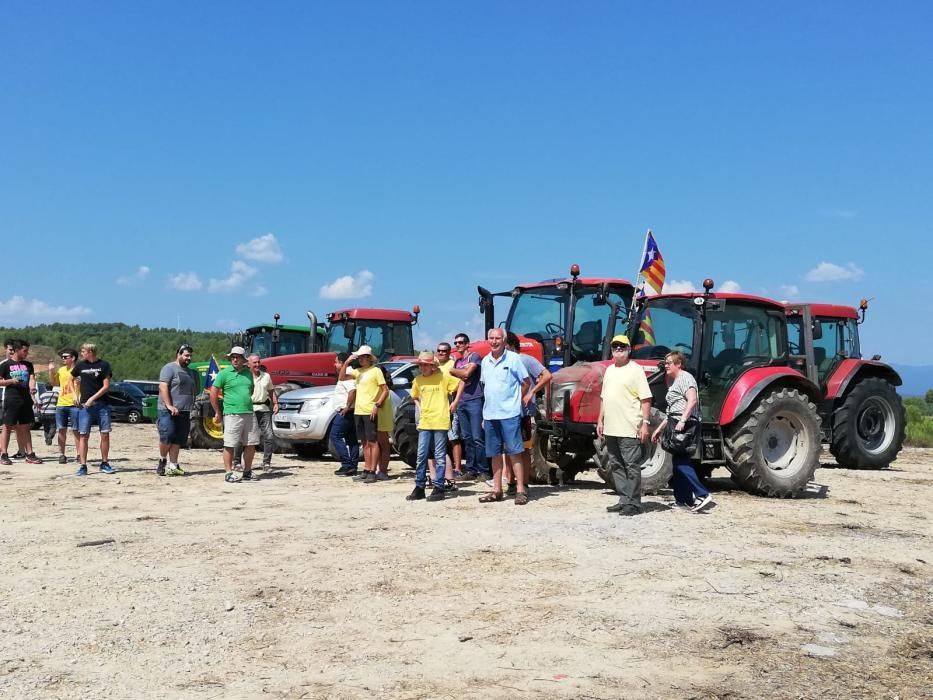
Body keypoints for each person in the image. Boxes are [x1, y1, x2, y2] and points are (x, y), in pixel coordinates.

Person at [597, 334, 652, 516]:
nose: (618, 349)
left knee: (631, 466)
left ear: (629, 349)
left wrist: (645, 423)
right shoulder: (610, 370)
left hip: (629, 427)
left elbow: (645, 398)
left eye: (622, 346)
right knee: (616, 465)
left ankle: (634, 503)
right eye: (615, 347)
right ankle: (624, 499)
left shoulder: (636, 370)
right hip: (611, 427)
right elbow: (604, 398)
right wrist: (600, 420)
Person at [652, 351, 713, 513]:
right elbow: (672, 410)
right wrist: (659, 428)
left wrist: (683, 420)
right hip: (675, 422)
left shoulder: (685, 378)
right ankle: (683, 499)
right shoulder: (674, 382)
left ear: (679, 364)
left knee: (680, 461)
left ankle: (702, 494)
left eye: (669, 363)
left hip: (685, 424)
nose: (666, 365)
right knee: (678, 461)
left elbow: (692, 400)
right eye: (665, 363)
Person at [478, 328, 530, 505]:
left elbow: (526, 382)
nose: (494, 341)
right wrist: (484, 415)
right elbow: (486, 388)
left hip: (509, 413)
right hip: (490, 414)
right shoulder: (485, 361)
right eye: (491, 338)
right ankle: (497, 490)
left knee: (515, 452)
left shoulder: (514, 359)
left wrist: (516, 402)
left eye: (497, 338)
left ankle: (521, 490)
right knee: (494, 453)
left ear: (504, 340)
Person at [406, 351, 463, 501]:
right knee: (421, 455)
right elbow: (414, 396)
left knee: (439, 455)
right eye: (421, 365)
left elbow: (461, 383)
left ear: (432, 366)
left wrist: (455, 402)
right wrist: (419, 406)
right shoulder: (418, 380)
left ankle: (439, 487)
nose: (423, 368)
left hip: (440, 420)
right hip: (425, 421)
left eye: (426, 365)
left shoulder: (443, 377)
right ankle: (419, 486)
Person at [505, 332, 552, 493]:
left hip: (522, 412)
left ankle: (523, 483)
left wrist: (532, 392)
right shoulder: (503, 362)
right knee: (507, 448)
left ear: (510, 345)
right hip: (506, 412)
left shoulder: (526, 360)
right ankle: (511, 482)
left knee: (523, 449)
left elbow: (547, 375)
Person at [339, 345, 391, 483]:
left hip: (369, 410)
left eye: (362, 357)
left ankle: (373, 470)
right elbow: (342, 377)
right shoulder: (359, 371)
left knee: (373, 442)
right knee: (365, 442)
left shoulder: (376, 371)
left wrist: (377, 404)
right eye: (359, 357)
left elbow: (385, 390)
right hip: (359, 410)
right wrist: (347, 362)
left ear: (368, 358)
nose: (360, 359)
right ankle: (367, 469)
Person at [210, 346, 259, 483]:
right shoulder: (224, 374)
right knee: (230, 444)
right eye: (233, 357)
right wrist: (217, 412)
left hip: (249, 412)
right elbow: (213, 393)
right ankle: (228, 472)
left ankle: (247, 471)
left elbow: (251, 390)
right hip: (232, 414)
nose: (235, 359)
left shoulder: (248, 373)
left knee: (251, 443)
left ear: (243, 359)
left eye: (237, 357)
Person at [72, 343, 115, 475]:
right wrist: (75, 394)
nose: (81, 353)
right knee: (83, 434)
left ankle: (105, 462)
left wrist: (93, 398)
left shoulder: (104, 365)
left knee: (105, 434)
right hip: (85, 406)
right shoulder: (80, 366)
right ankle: (83, 465)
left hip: (102, 405)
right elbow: (71, 379)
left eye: (83, 351)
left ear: (90, 351)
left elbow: (106, 386)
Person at [450, 333, 488, 479]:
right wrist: (456, 400)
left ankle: (483, 469)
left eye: (461, 342)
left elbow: (466, 374)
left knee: (478, 436)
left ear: (467, 344)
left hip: (475, 399)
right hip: (463, 401)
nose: (458, 344)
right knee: (467, 437)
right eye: (456, 342)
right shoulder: (458, 362)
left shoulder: (474, 357)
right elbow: (461, 382)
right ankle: (471, 469)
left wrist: (451, 370)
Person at [157, 343, 197, 477]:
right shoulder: (169, 368)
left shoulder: (191, 372)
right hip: (168, 411)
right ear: (179, 354)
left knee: (178, 439)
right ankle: (162, 460)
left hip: (185, 411)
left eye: (190, 355)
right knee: (167, 436)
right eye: (186, 355)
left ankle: (173, 465)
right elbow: (163, 387)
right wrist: (169, 405)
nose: (189, 358)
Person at [0, 340, 42, 465]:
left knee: (25, 426)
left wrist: (32, 388)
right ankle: (3, 454)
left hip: (25, 399)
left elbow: (31, 378)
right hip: (12, 398)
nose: (27, 353)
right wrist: (11, 381)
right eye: (25, 351)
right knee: (7, 426)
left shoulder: (28, 365)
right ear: (17, 350)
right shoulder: (5, 365)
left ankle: (29, 453)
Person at [239, 354, 277, 470]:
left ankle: (266, 462)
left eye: (258, 362)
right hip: (249, 410)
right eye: (254, 363)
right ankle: (236, 462)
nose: (257, 365)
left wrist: (275, 403)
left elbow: (271, 391)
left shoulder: (266, 376)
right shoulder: (245, 377)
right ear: (248, 364)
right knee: (243, 438)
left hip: (264, 410)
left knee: (269, 436)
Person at [48, 348, 81, 464]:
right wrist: (51, 372)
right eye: (62, 357)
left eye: (65, 357)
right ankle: (62, 455)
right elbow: (54, 383)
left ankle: (79, 454)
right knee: (61, 430)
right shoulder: (62, 370)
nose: (63, 359)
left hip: (75, 404)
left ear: (73, 358)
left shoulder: (79, 370)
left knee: (76, 430)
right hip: (61, 404)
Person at [331, 352, 361, 477]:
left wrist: (347, 406)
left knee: (335, 435)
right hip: (349, 411)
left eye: (337, 362)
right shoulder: (347, 373)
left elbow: (352, 391)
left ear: (343, 362)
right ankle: (352, 465)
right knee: (351, 439)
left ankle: (347, 463)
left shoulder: (348, 372)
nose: (334, 364)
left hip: (346, 410)